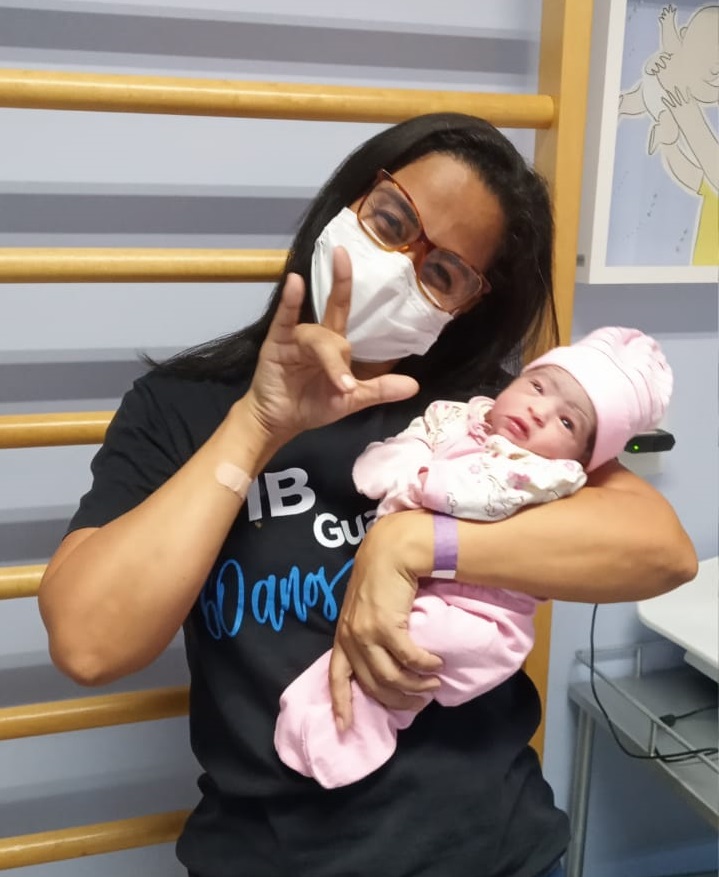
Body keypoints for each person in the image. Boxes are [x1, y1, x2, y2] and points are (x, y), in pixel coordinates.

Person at [37, 113, 696, 877]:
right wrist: (255, 425)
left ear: (465, 304)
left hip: (496, 852)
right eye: (391, 221)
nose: (400, 264)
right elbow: (89, 642)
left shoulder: (485, 417)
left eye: (443, 272)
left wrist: (411, 543)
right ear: (346, 202)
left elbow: (662, 552)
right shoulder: (182, 406)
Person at [275, 326, 673, 789]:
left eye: (568, 423)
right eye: (538, 386)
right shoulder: (461, 414)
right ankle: (333, 714)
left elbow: (481, 495)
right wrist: (402, 457)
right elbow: (421, 435)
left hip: (482, 615)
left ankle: (355, 726)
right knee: (377, 637)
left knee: (408, 645)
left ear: (584, 459)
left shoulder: (545, 475)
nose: (540, 411)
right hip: (427, 588)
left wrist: (419, 485)